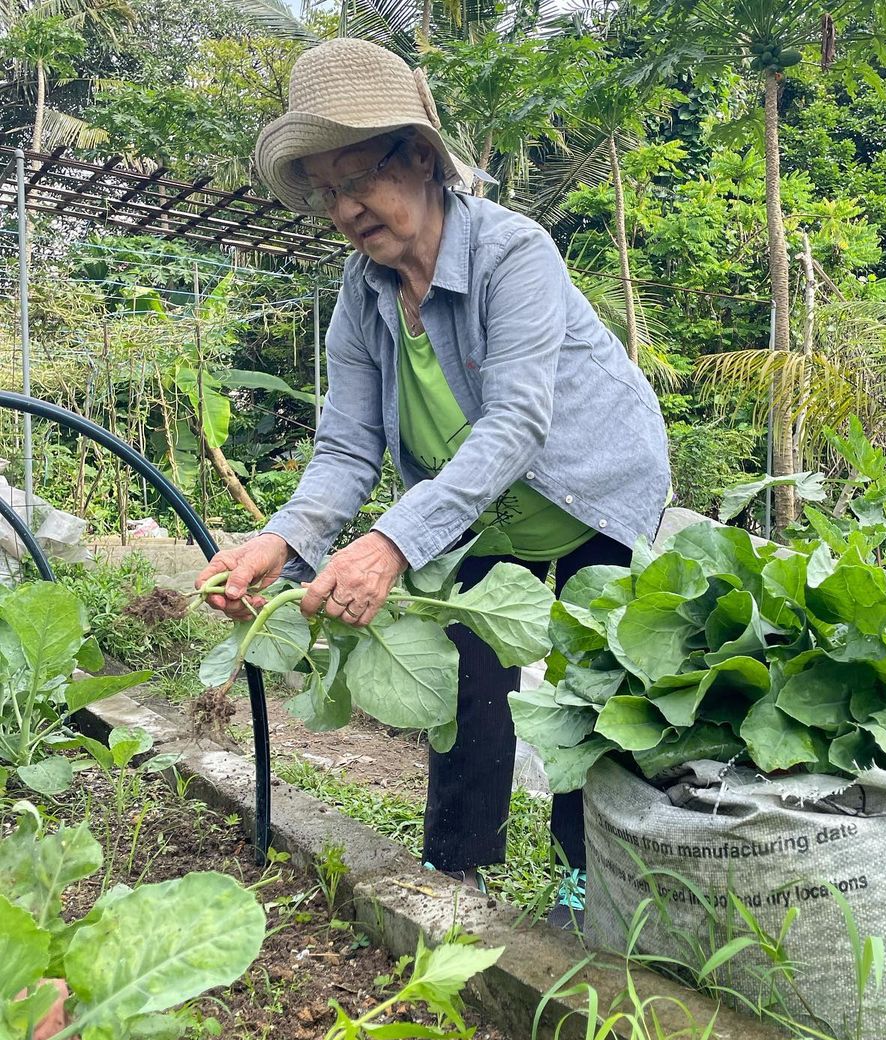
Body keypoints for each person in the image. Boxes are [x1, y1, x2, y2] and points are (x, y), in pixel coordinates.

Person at [196, 38, 670, 926]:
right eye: (325, 194)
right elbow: (345, 448)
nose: (341, 209)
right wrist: (285, 540)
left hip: (592, 488)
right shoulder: (362, 293)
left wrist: (389, 542)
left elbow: (518, 424)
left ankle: (584, 879)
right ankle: (452, 878)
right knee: (466, 676)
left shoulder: (511, 253)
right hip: (477, 511)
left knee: (592, 691)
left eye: (354, 180)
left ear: (417, 157)